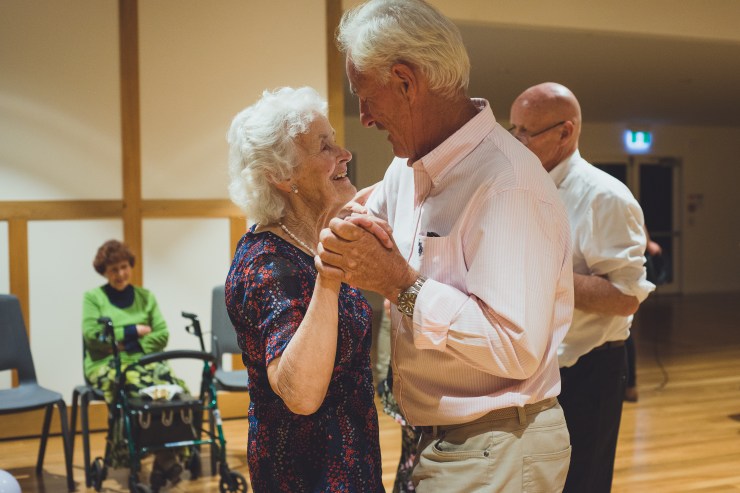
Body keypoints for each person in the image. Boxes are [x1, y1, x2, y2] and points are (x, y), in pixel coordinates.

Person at [318, 1, 575, 491]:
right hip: (443, 440)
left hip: (498, 442)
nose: (364, 118)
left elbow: (515, 349)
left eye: (365, 97)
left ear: (406, 81)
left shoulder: (507, 184)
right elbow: (359, 224)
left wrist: (401, 283)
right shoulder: (407, 168)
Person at [224, 86, 383, 492]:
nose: (345, 154)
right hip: (307, 476)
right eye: (325, 146)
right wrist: (330, 275)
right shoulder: (267, 264)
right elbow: (301, 395)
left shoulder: (307, 245)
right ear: (281, 175)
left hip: (352, 463)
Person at [509, 82, 656, 492]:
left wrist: (539, 273)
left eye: (527, 132)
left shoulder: (604, 197)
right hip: (531, 367)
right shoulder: (523, 185)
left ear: (565, 131)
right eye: (513, 128)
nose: (517, 141)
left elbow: (625, 298)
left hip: (587, 369)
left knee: (582, 482)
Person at [82, 239, 188, 491]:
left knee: (173, 388)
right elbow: (93, 337)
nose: (120, 274)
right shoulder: (93, 298)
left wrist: (123, 343)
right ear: (104, 272)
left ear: (130, 266)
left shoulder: (145, 297)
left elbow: (162, 335)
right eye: (113, 270)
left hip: (143, 361)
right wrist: (135, 330)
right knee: (133, 389)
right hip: (106, 364)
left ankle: (163, 459)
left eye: (123, 267)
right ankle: (159, 458)